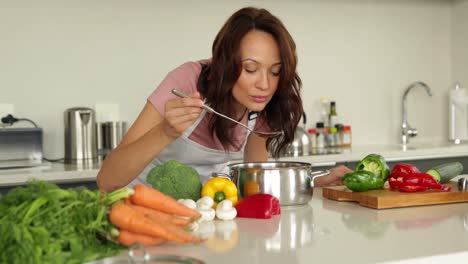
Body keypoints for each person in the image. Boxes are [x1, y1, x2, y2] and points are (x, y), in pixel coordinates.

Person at [96, 7, 351, 192]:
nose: (265, 84)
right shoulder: (187, 81)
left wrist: (313, 182)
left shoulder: (262, 105)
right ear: (226, 63)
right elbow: (107, 179)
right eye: (250, 69)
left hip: (200, 219)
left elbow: (255, 185)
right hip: (136, 210)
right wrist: (165, 131)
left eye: (275, 72)